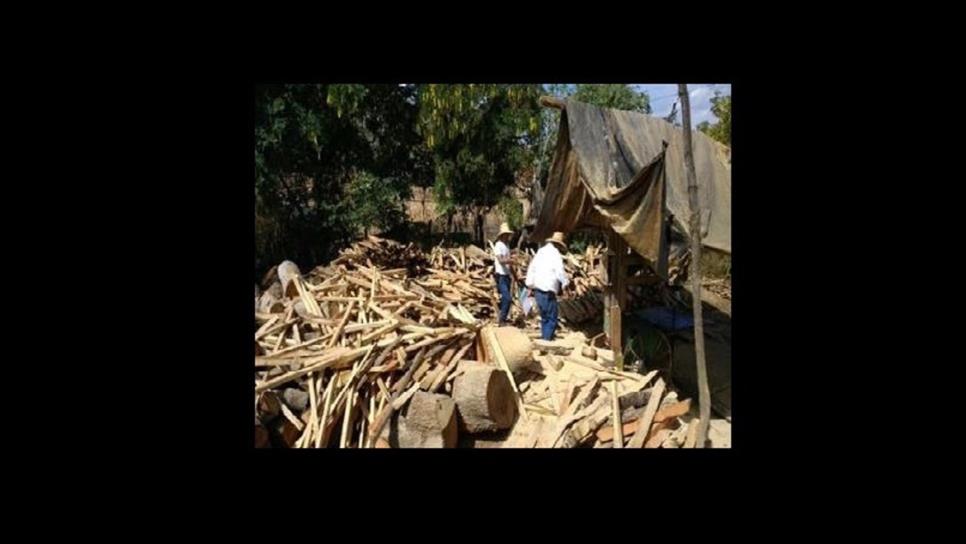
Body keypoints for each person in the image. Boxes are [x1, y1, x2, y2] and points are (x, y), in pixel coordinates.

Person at [525, 231, 570, 340]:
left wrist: (530, 285)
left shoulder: (540, 252)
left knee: (544, 316)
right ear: (558, 245)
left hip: (538, 288)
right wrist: (565, 283)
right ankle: (547, 340)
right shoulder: (555, 254)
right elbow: (560, 272)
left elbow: (532, 268)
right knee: (552, 317)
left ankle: (545, 337)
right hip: (548, 290)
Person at [493, 222, 515, 325]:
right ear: (502, 235)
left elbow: (509, 264)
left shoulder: (506, 246)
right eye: (506, 234)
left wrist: (515, 276)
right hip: (500, 275)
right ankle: (501, 319)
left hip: (506, 275)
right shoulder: (498, 245)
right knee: (507, 298)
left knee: (507, 298)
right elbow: (501, 260)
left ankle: (503, 318)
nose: (508, 236)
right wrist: (511, 261)